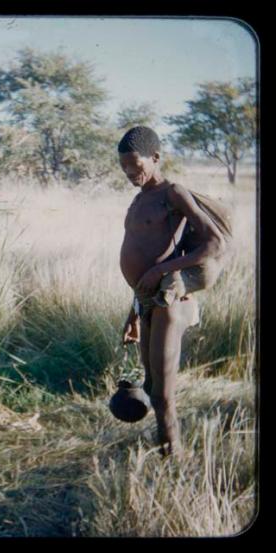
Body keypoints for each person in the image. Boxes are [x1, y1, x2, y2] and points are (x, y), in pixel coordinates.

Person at [118, 126, 228, 457]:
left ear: (155, 158)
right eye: (123, 165)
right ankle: (166, 448)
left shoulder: (173, 193)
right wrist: (133, 313)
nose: (129, 172)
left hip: (170, 298)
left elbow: (214, 243)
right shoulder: (139, 200)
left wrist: (159, 271)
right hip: (148, 300)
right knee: (151, 387)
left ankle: (173, 457)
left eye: (135, 164)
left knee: (163, 394)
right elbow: (143, 264)